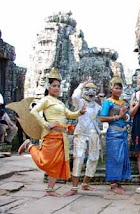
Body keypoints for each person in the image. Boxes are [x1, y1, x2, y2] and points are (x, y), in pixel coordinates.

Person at [17, 67, 86, 197]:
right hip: (51, 135)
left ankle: (50, 189)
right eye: (54, 85)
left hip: (61, 136)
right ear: (49, 86)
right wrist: (46, 124)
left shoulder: (59, 102)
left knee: (57, 162)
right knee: (45, 161)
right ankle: (29, 146)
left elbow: (69, 114)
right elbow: (34, 111)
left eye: (58, 86)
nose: (56, 88)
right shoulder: (46, 100)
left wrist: (79, 113)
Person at [63, 77, 101, 197]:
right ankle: (74, 187)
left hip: (93, 133)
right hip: (81, 132)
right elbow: (74, 96)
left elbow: (104, 116)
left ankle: (85, 183)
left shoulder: (97, 106)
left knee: (94, 157)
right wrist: (82, 84)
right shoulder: (80, 102)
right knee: (78, 157)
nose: (91, 93)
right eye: (88, 90)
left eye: (93, 91)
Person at [100, 74, 131, 194]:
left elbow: (127, 118)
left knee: (122, 158)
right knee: (114, 158)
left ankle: (118, 181)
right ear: (111, 89)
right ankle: (113, 183)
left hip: (123, 133)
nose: (118, 90)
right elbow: (102, 118)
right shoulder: (108, 102)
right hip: (113, 133)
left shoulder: (123, 102)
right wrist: (117, 116)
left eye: (120, 88)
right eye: (116, 88)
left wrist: (124, 115)